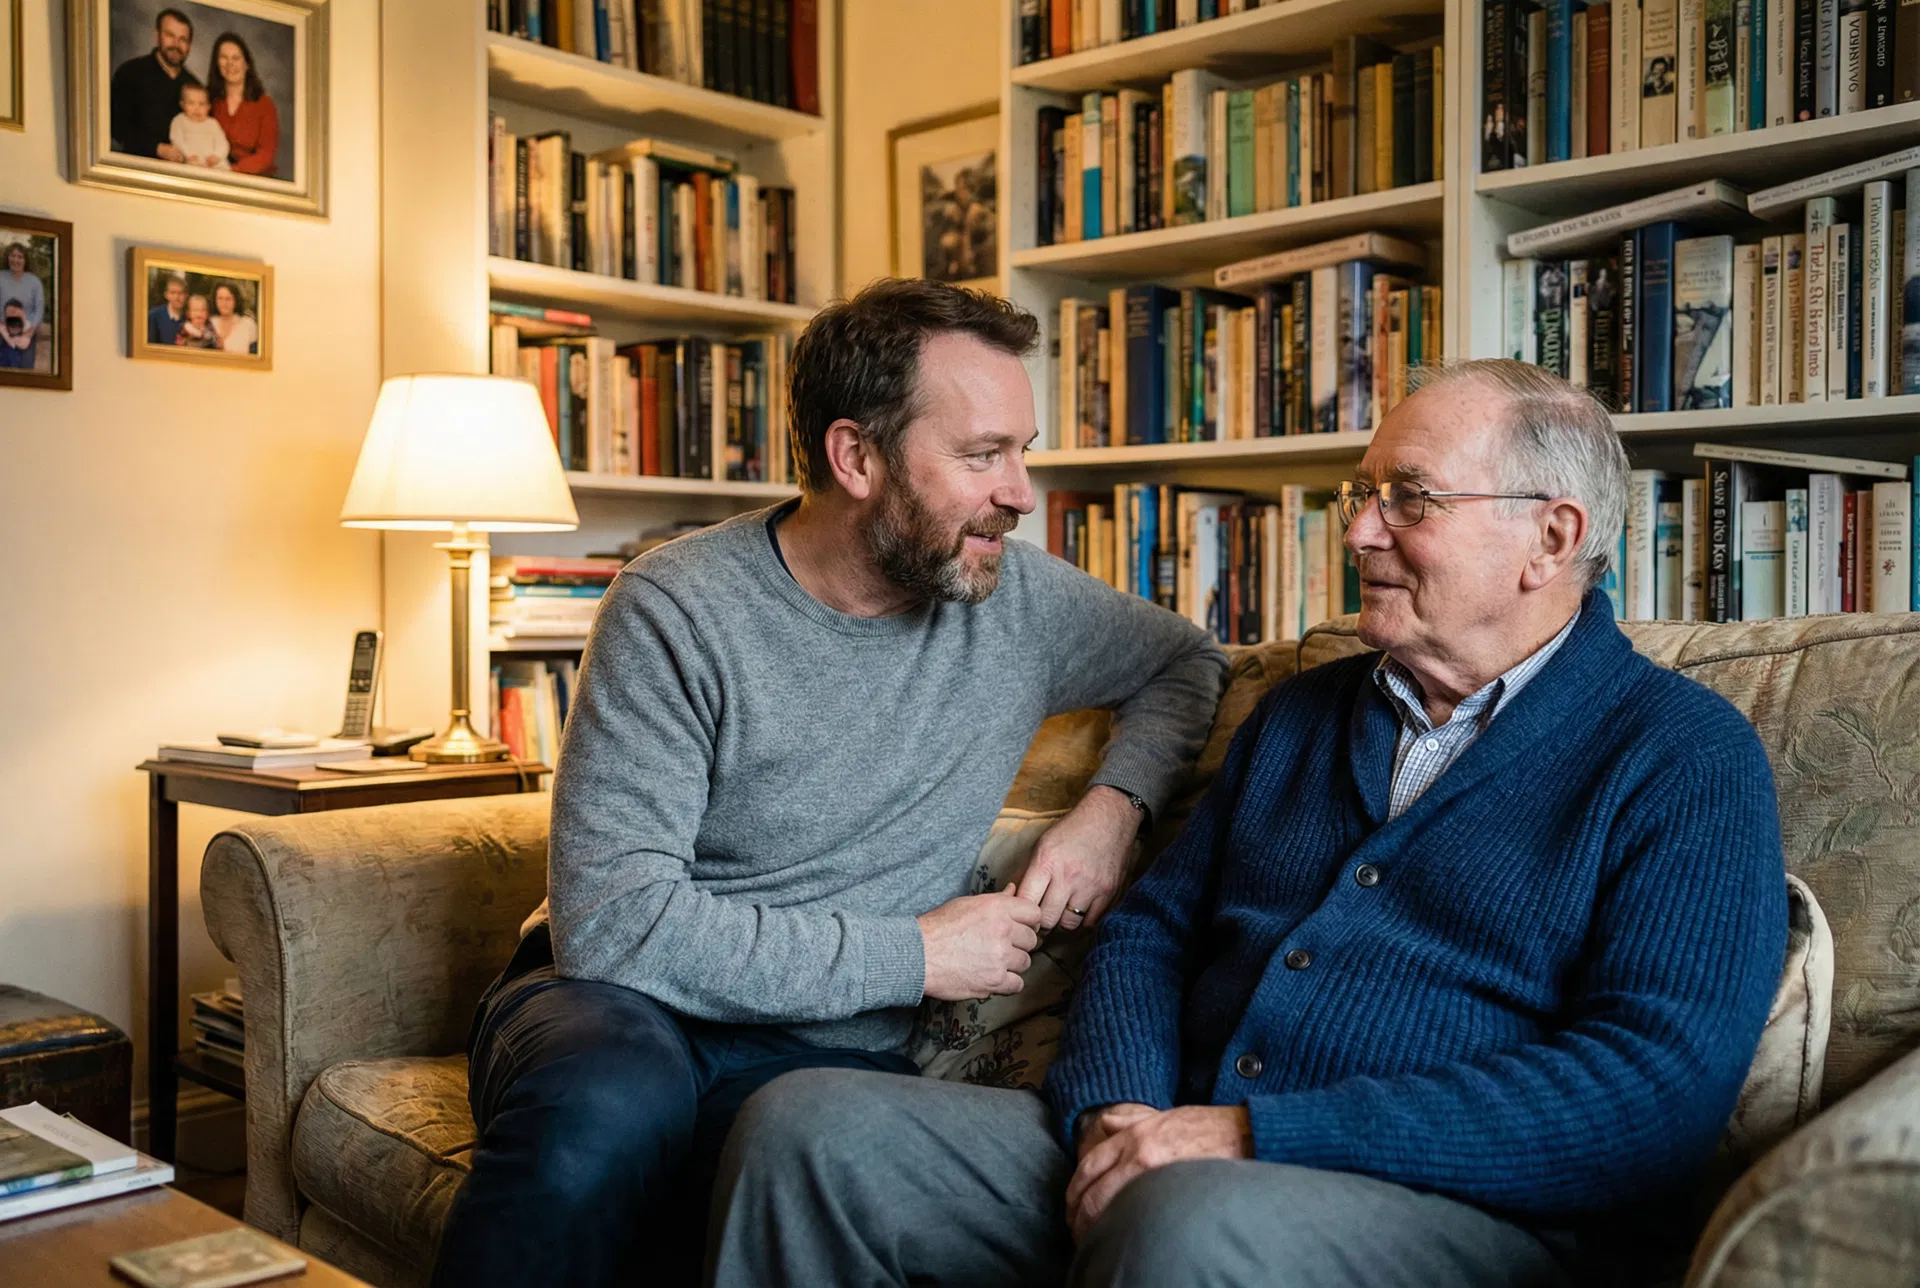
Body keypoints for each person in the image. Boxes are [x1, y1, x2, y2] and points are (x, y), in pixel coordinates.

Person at [709, 358, 1789, 1288]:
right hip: (1173, 1147)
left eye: (1409, 499)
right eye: (1363, 493)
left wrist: (1246, 1137)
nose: (1360, 530)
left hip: (1462, 1215)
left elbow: (1653, 1091)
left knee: (1183, 1219)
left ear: (1550, 537)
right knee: (809, 1129)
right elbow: (1152, 934)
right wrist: (1116, 1117)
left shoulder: (1681, 758)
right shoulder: (1306, 715)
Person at [427, 278, 1228, 1288]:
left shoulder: (1020, 603)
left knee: (789, 1154)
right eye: (984, 454)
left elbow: (1187, 663)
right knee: (608, 1110)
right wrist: (911, 953)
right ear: (855, 456)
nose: (1021, 492)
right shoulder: (679, 606)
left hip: (821, 1056)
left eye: (1021, 450)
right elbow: (618, 927)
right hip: (620, 1009)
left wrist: (1116, 810)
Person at [111, 8, 196, 163]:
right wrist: (156, 148)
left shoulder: (194, 86)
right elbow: (115, 126)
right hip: (136, 167)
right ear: (157, 36)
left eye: (183, 39)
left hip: (184, 174)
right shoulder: (130, 73)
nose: (176, 44)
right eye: (170, 35)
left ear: (190, 46)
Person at [206, 33, 280, 178]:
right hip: (216, 174)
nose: (230, 64)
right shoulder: (208, 101)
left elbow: (266, 154)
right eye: (223, 57)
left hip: (255, 177)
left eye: (236, 58)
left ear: (246, 64)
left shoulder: (264, 104)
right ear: (217, 63)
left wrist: (233, 171)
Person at [0, 243, 43, 370]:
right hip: (1, 330)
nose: (15, 260)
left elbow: (39, 309)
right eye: (12, 255)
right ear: (7, 257)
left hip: (26, 331)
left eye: (20, 257)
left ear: (25, 260)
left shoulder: (34, 281)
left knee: (25, 371)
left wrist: (28, 334)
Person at [169, 83, 230, 170]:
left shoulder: (212, 123)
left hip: (213, 164)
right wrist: (188, 154)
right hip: (190, 161)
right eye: (191, 103)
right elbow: (176, 139)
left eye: (201, 104)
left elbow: (223, 143)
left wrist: (217, 156)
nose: (196, 108)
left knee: (224, 170)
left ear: (208, 107)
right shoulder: (179, 120)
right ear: (182, 105)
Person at [208, 283, 258, 355]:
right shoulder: (209, 322)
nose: (224, 303)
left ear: (236, 300)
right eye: (220, 298)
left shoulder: (248, 324)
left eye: (228, 299)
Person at [147, 274, 187, 346]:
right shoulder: (154, 316)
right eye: (173, 293)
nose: (177, 297)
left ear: (186, 295)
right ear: (166, 295)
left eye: (181, 293)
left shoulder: (189, 317)